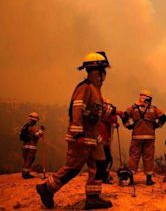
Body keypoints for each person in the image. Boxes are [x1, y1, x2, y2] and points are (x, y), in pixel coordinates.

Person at [36, 52, 114, 210]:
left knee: (100, 164)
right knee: (72, 168)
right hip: (82, 137)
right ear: (96, 71)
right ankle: (47, 188)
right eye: (103, 70)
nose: (104, 75)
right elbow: (76, 110)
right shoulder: (84, 88)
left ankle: (93, 198)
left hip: (93, 138)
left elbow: (94, 112)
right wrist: (77, 134)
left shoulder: (95, 89)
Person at [122, 90, 166, 185]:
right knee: (149, 157)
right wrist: (157, 125)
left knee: (134, 156)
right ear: (148, 98)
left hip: (136, 137)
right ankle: (149, 179)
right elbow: (164, 118)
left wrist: (128, 125)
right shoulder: (154, 109)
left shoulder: (133, 108)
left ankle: (131, 179)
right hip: (150, 137)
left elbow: (124, 115)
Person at [96, 97, 119, 184]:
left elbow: (113, 120)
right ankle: (103, 176)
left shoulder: (100, 116)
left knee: (101, 160)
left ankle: (100, 176)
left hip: (101, 141)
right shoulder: (104, 116)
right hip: (102, 142)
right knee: (108, 160)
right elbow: (113, 119)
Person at [20, 112, 45, 179]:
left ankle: (24, 172)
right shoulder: (33, 127)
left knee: (26, 160)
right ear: (35, 120)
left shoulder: (24, 126)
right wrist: (41, 130)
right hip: (31, 146)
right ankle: (26, 174)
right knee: (30, 160)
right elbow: (36, 135)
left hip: (24, 146)